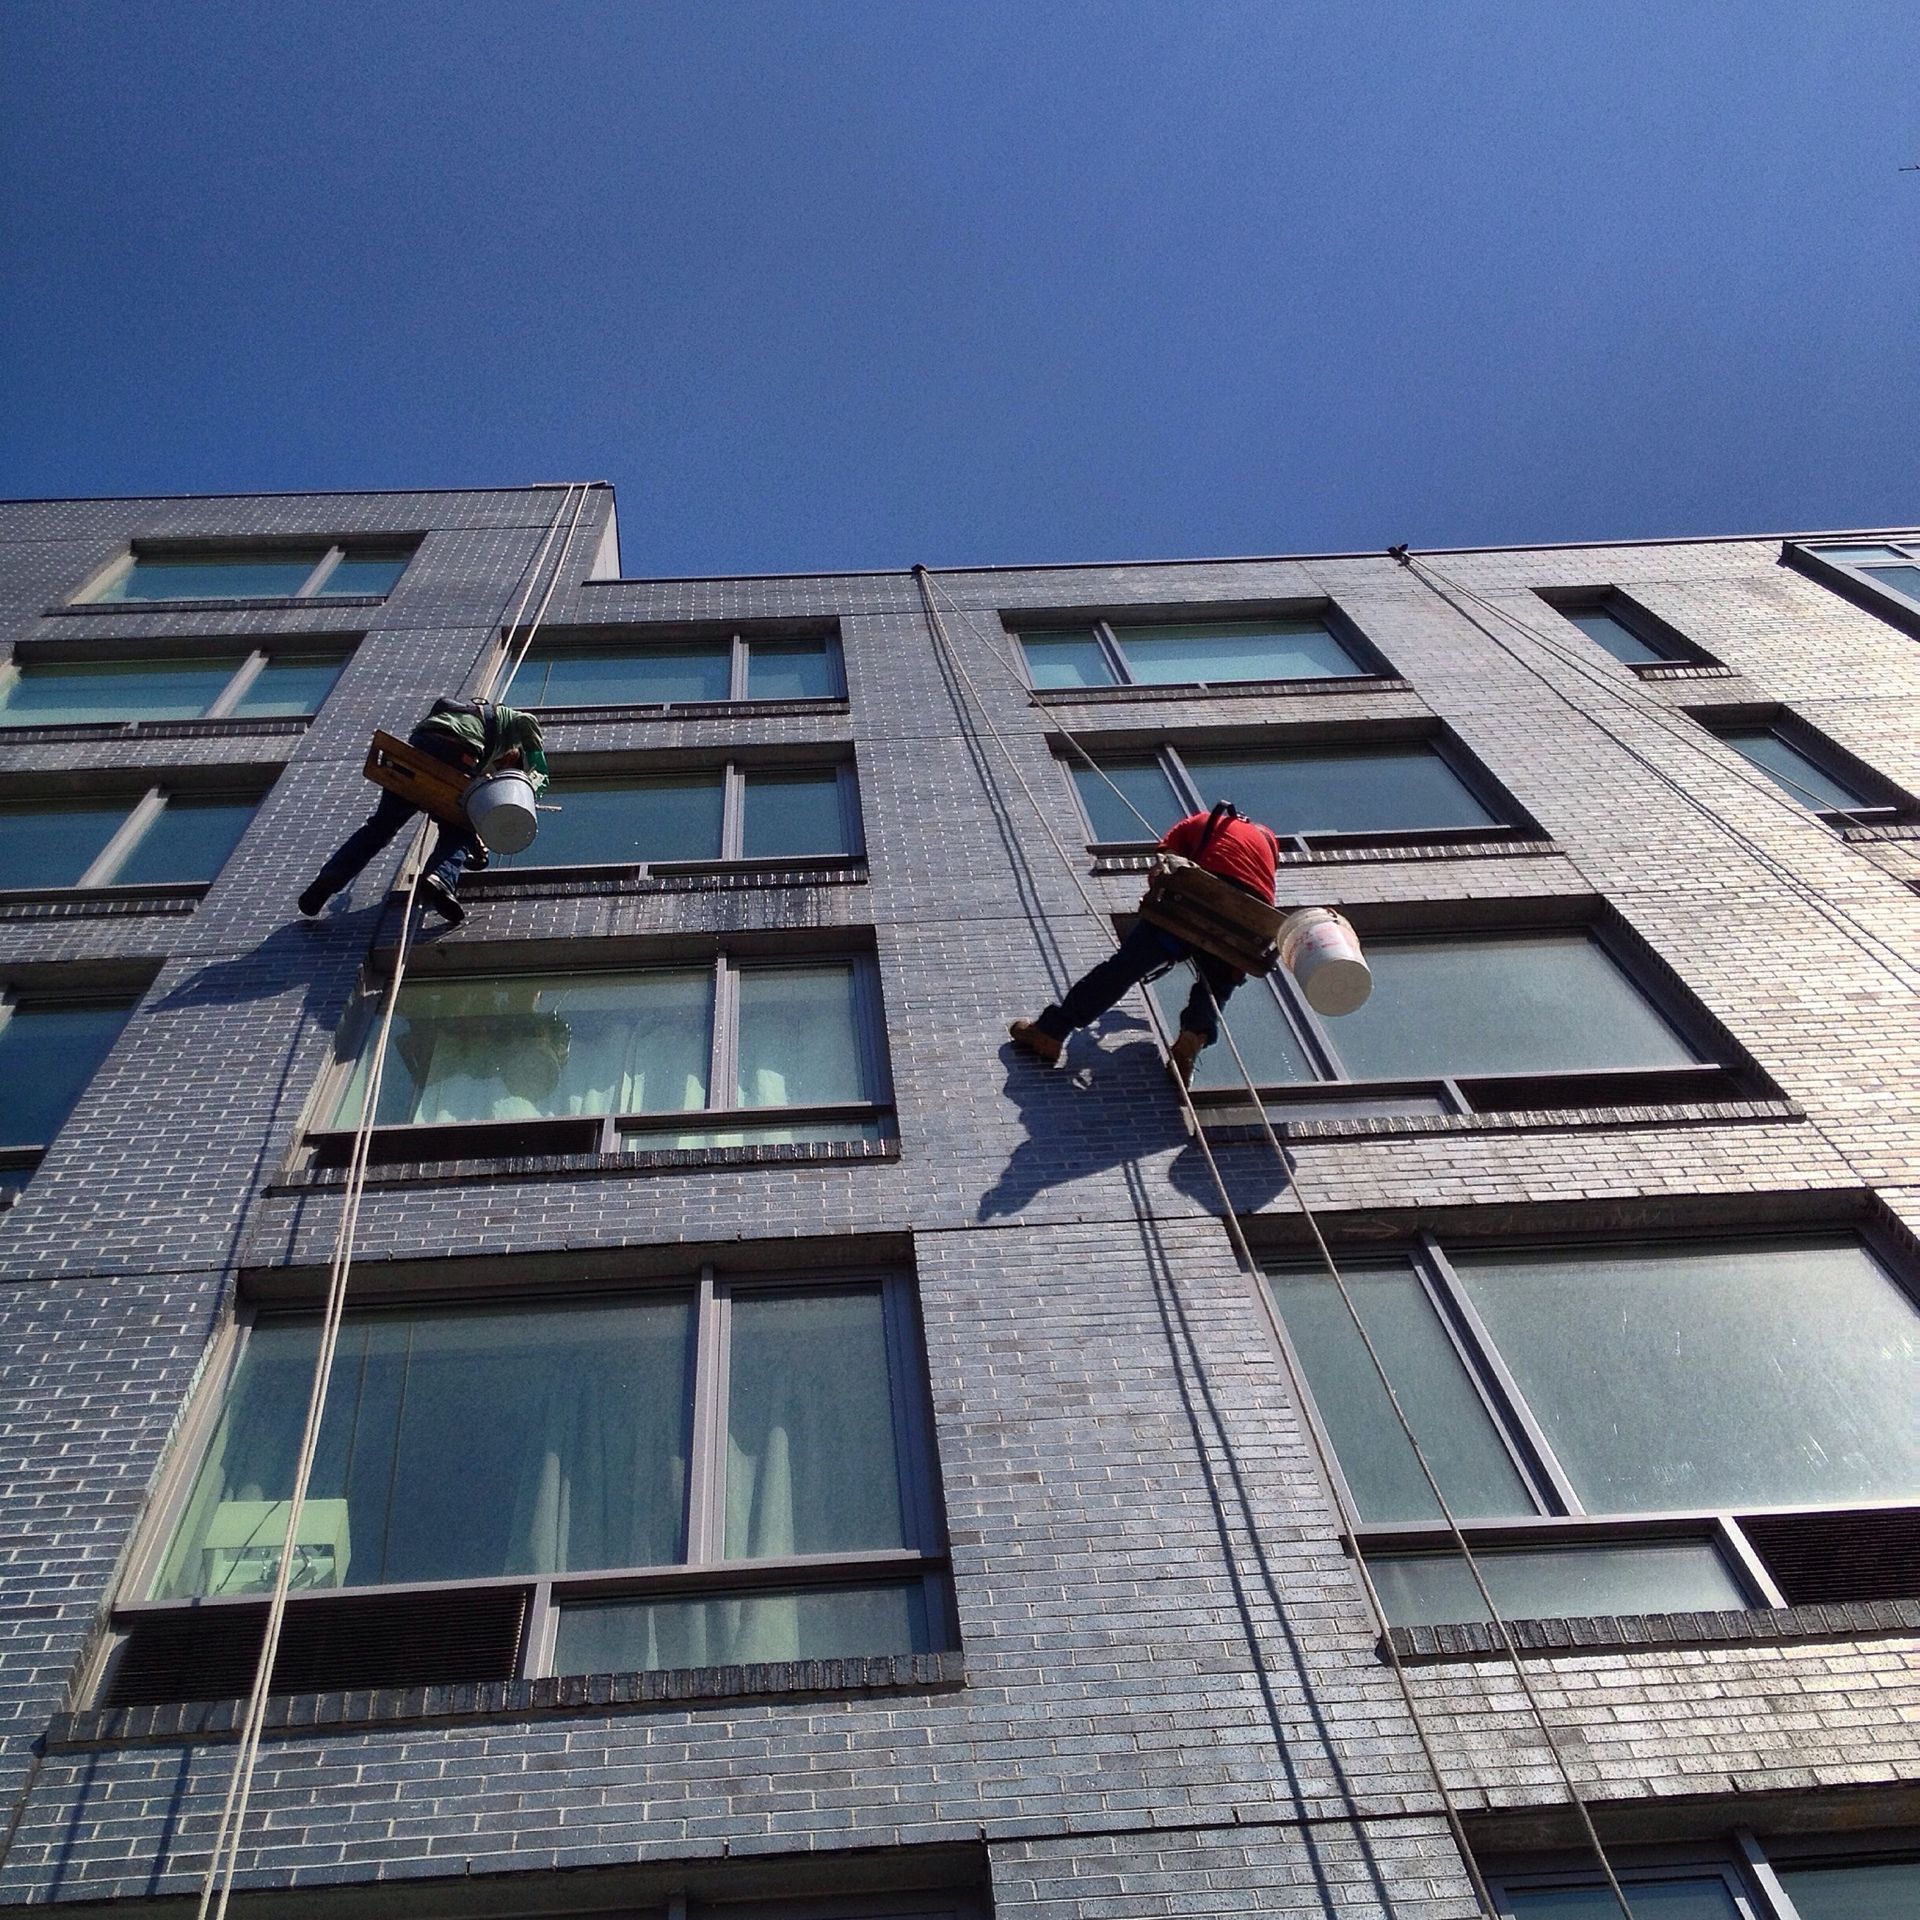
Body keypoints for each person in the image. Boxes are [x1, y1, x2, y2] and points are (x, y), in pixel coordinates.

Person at [1009, 801, 1280, 1084]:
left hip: (1193, 904)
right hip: (1247, 926)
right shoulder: (1267, 841)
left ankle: (1051, 1032)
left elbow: (1162, 868)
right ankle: (1191, 1038)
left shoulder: (1197, 822)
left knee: (1124, 968)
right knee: (1216, 987)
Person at [298, 698, 549, 926]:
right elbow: (530, 730)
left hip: (420, 748)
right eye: (508, 763)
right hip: (458, 747)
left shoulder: (469, 724)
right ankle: (440, 878)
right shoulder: (511, 725)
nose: (501, 765)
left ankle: (328, 880)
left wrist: (477, 847)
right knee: (460, 827)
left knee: (381, 827)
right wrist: (535, 779)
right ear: (515, 752)